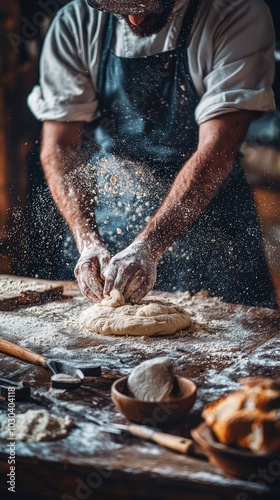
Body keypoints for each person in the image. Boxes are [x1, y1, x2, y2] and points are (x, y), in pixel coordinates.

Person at [28, 0, 278, 308]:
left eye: (148, 5)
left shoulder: (235, 12)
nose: (134, 17)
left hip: (212, 229)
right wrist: (88, 240)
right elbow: (60, 146)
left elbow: (218, 150)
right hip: (114, 216)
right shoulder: (76, 21)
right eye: (120, 8)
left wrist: (148, 246)